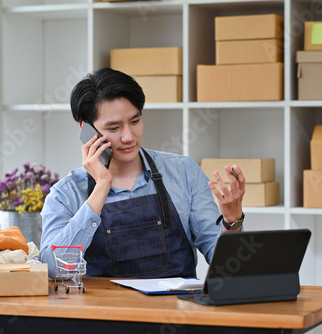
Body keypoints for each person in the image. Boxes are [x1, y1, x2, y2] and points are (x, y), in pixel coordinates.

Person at [39, 67, 246, 279]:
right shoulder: (66, 193)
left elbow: (224, 263)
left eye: (135, 121)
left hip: (177, 309)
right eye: (114, 128)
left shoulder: (184, 172)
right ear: (87, 130)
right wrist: (101, 187)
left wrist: (232, 222)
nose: (129, 137)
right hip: (104, 312)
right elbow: (53, 271)